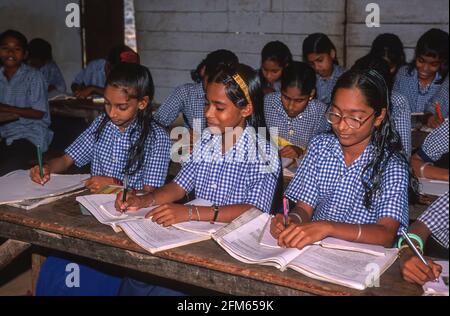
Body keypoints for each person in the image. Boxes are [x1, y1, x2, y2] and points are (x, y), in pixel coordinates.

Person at [271, 68, 416, 249]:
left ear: (379, 117)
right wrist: (292, 219)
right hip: (316, 250)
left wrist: (328, 227)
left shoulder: (391, 166)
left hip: (362, 259)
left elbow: (386, 233)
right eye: (336, 114)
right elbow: (304, 208)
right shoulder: (320, 147)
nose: (341, 125)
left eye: (355, 118)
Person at [31, 63, 171, 193]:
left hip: (130, 211)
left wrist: (115, 185)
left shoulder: (156, 138)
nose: (111, 113)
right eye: (107, 103)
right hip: (95, 202)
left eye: (121, 107)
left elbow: (150, 195)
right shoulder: (101, 124)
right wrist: (47, 167)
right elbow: (66, 160)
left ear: (142, 103)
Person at [0, 30, 52, 176]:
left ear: (25, 54)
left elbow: (38, 112)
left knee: (6, 172)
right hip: (5, 136)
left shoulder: (34, 76)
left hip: (30, 137)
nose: (10, 52)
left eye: (16, 49)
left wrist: (5, 108)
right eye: (5, 48)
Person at [264, 61, 327, 159]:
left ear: (311, 94)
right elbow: (259, 137)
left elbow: (323, 151)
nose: (290, 107)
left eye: (299, 100)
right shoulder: (268, 103)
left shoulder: (320, 114)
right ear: (281, 89)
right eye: (286, 98)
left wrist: (301, 152)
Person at [393, 28, 449, 114]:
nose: (425, 68)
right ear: (416, 55)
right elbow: (395, 106)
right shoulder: (403, 75)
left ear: (444, 62)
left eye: (433, 64)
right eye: (421, 61)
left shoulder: (446, 82)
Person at [71, 45, 140, 98]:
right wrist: (78, 91)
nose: (116, 76)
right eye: (113, 72)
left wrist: (93, 88)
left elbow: (122, 93)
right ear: (107, 65)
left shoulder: (129, 73)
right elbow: (75, 83)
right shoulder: (94, 67)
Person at [302, 33, 345, 105]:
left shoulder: (345, 77)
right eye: (312, 63)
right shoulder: (306, 78)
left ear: (332, 54)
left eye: (320, 60)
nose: (316, 67)